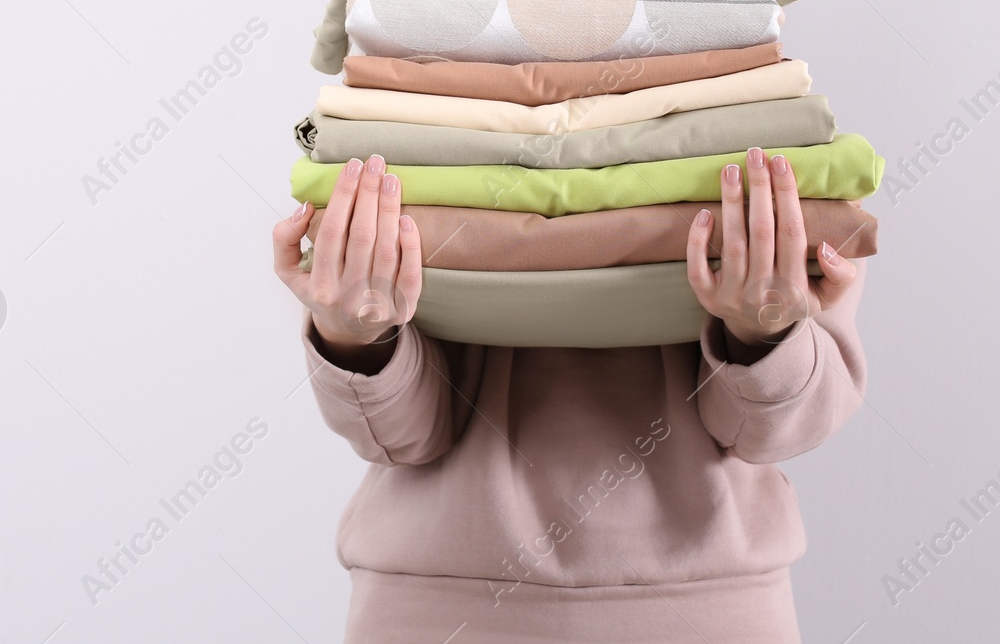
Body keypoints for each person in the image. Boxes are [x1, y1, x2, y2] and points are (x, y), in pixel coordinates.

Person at [272, 147, 868, 642]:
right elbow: (406, 434)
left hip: (703, 613)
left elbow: (776, 428)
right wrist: (356, 335)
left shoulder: (760, 142)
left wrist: (760, 334)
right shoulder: (418, 132)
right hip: (444, 613)